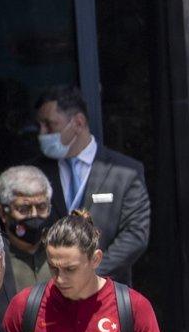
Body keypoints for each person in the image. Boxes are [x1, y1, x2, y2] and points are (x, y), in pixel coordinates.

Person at [3, 211, 165, 332]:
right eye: (53, 268)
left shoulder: (133, 307)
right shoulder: (25, 305)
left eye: (70, 269)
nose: (60, 279)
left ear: (95, 259)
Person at [34, 85, 151, 285]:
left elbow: (135, 235)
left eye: (49, 125)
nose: (42, 133)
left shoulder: (124, 172)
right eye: (40, 126)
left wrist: (90, 273)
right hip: (51, 291)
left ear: (78, 123)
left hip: (106, 291)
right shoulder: (36, 172)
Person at [0, 165, 54, 320]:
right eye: (24, 209)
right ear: (2, 212)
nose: (34, 215)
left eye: (41, 207)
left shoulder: (62, 250)